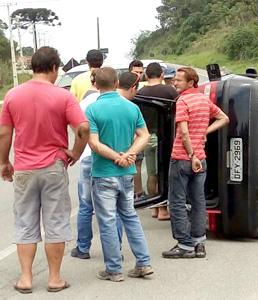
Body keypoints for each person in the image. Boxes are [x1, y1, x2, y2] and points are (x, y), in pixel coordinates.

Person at [0, 46, 89, 293]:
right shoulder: (63, 96)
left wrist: (4, 162)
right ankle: (54, 279)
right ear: (54, 68)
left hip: (25, 169)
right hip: (53, 166)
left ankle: (26, 279)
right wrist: (76, 152)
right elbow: (82, 128)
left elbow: (4, 133)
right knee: (55, 222)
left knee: (25, 223)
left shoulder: (13, 95)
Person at [85, 67, 153, 281]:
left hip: (104, 172)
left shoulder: (92, 110)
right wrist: (130, 154)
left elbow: (94, 143)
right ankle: (143, 262)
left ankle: (114, 268)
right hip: (127, 172)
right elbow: (144, 135)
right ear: (116, 83)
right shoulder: (132, 108)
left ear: (96, 85)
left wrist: (115, 157)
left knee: (107, 221)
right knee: (130, 217)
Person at [162, 67, 229, 259]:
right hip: (201, 158)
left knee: (177, 201)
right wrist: (204, 133)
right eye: (174, 80)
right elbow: (224, 118)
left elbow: (183, 132)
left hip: (183, 158)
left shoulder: (182, 101)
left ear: (191, 82)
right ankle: (199, 242)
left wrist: (191, 155)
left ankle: (184, 244)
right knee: (198, 201)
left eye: (179, 80)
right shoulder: (203, 100)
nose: (174, 83)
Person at [71, 69, 123, 259]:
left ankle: (83, 248)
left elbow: (78, 131)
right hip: (113, 159)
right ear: (115, 82)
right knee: (115, 208)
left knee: (86, 206)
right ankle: (115, 249)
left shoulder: (82, 105)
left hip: (87, 157)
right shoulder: (122, 103)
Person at [137, 62, 179, 220]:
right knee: (164, 172)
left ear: (146, 75)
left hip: (147, 137)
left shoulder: (140, 93)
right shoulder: (169, 90)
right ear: (161, 75)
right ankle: (163, 209)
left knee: (152, 173)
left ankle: (154, 207)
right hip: (166, 137)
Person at [128, 59, 146, 199]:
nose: (139, 75)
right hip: (130, 134)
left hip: (140, 133)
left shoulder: (142, 90)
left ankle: (137, 192)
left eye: (141, 72)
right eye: (136, 72)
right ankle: (135, 193)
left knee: (137, 164)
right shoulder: (127, 92)